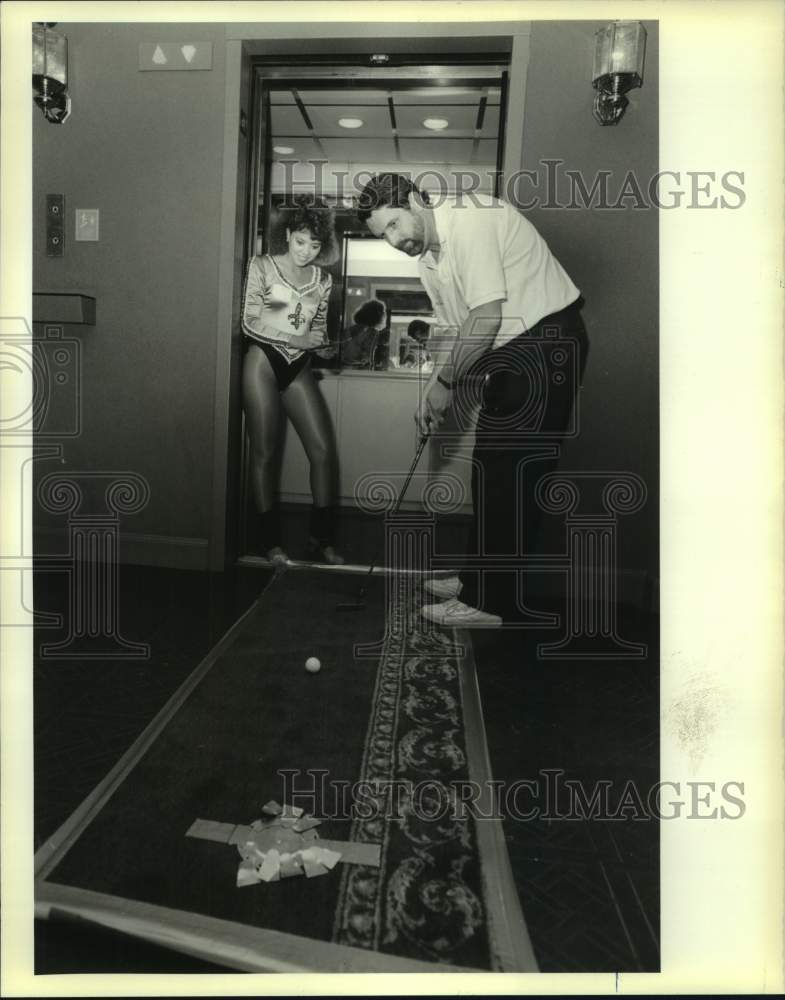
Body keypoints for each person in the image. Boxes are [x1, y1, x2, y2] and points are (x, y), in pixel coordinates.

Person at [357, 174, 589, 627]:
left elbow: (486, 316)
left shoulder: (470, 218)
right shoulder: (427, 261)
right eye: (383, 234)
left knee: (513, 475)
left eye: (393, 225)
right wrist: (433, 389)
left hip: (547, 342)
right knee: (490, 465)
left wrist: (447, 384)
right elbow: (452, 330)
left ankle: (492, 603)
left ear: (413, 200)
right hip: (512, 352)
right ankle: (476, 579)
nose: (394, 240)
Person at [241, 195, 344, 565]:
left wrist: (324, 346)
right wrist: (295, 339)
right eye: (301, 242)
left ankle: (322, 539)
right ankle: (270, 543)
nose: (306, 252)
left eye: (315, 245)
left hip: (299, 365)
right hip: (263, 362)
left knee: (323, 452)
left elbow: (314, 329)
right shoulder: (264, 266)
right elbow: (251, 321)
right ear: (287, 234)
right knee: (265, 454)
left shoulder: (322, 279)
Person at [341, 298, 386, 369]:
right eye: (383, 313)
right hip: (360, 372)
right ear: (377, 316)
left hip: (344, 369)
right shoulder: (372, 332)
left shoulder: (348, 330)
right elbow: (368, 357)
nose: (384, 316)